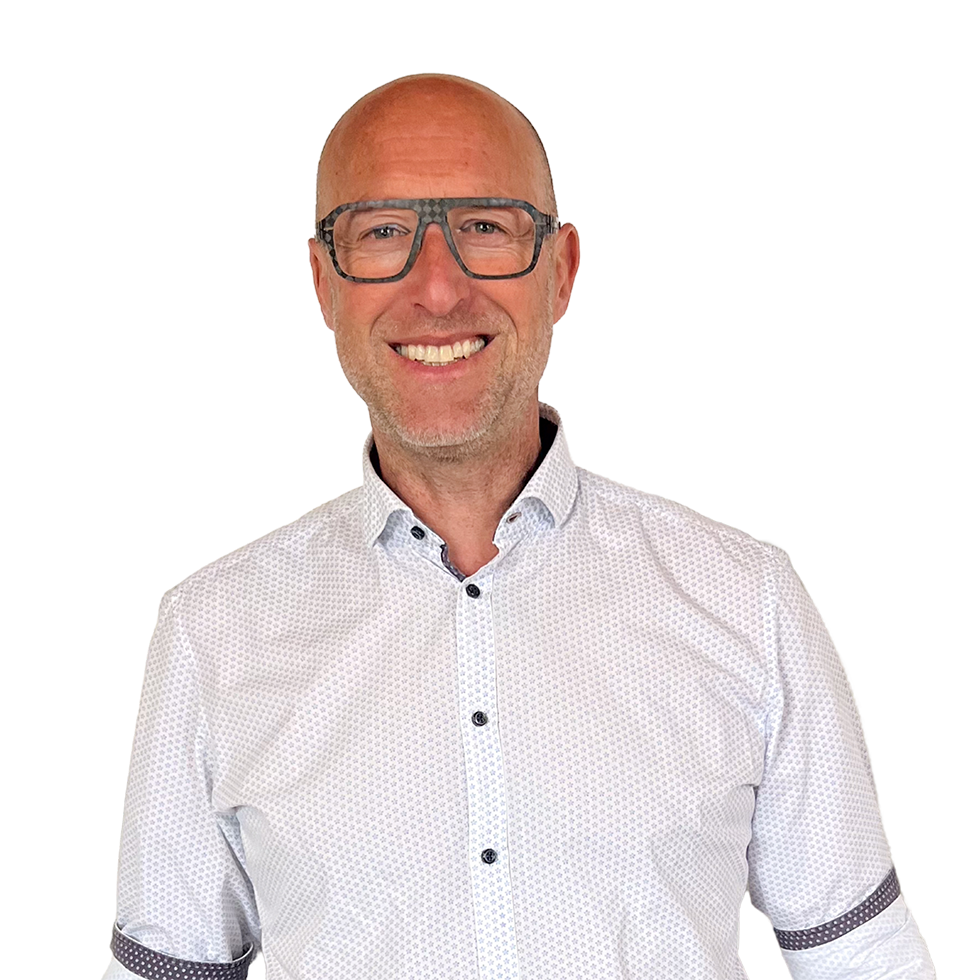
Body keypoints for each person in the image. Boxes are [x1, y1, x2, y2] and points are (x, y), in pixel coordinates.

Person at [103, 73, 936, 980]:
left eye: (485, 226)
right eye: (380, 232)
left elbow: (866, 965)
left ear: (564, 269)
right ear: (320, 283)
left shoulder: (748, 598)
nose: (437, 288)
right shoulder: (213, 630)